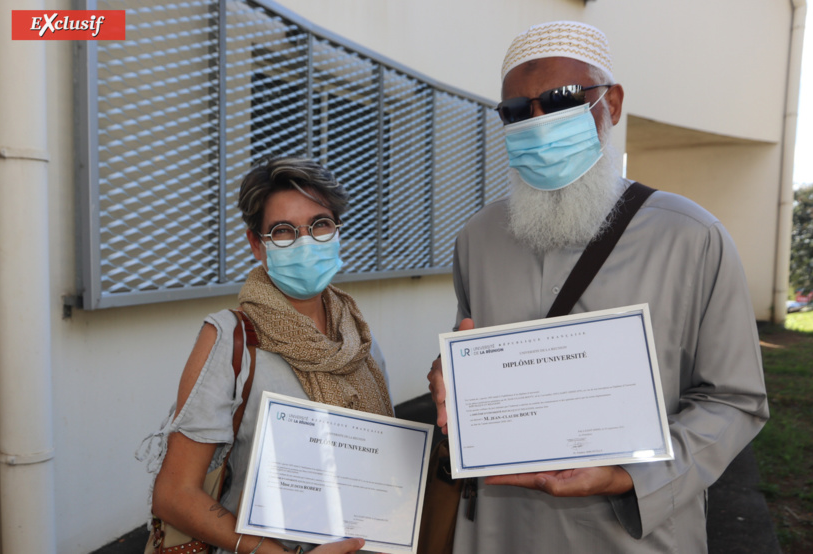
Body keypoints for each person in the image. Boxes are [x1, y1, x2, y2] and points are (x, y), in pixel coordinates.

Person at [427, 21, 769, 552]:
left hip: (633, 534)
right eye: (516, 111)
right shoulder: (478, 237)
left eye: (561, 99)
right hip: (499, 529)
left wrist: (630, 477)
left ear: (611, 102)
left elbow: (734, 400)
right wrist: (453, 384)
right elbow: (475, 358)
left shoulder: (691, 235)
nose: (537, 120)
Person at [141, 157, 393, 554]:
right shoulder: (230, 338)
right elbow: (173, 493)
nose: (305, 242)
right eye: (283, 231)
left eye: (320, 224)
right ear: (257, 244)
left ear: (337, 231)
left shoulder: (359, 340)